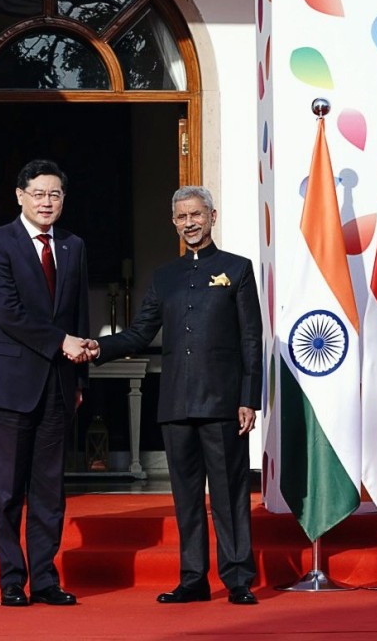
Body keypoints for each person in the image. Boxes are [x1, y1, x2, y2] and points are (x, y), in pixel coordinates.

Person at [85, 186, 262, 605]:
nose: (190, 223)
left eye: (196, 215)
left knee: (229, 494)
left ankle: (238, 579)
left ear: (212, 217)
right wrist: (98, 347)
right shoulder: (165, 277)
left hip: (223, 403)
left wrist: (249, 398)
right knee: (185, 497)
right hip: (175, 403)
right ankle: (193, 579)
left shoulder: (237, 270)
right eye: (182, 217)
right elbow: (140, 332)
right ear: (174, 223)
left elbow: (251, 339)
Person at [0, 158, 91, 607]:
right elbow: (8, 313)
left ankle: (45, 579)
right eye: (39, 193)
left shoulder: (73, 245)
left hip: (59, 384)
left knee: (49, 489)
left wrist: (79, 375)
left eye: (55, 194)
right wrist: (62, 341)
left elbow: (80, 312)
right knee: (6, 489)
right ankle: (11, 580)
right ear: (20, 195)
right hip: (9, 383)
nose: (47, 202)